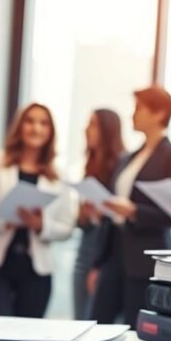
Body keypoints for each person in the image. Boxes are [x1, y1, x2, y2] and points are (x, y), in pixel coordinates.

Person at [87, 86, 171, 324]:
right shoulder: (128, 158)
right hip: (113, 253)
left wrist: (135, 211)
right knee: (97, 323)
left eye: (139, 109)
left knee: (138, 328)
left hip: (145, 259)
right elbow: (114, 203)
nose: (133, 114)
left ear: (159, 113)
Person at [0, 103, 76, 318]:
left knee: (27, 338)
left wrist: (41, 226)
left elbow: (67, 227)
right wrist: (5, 219)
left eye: (43, 123)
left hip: (37, 271)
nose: (36, 128)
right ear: (19, 126)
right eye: (29, 121)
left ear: (51, 131)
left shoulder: (58, 174)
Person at [73, 109, 125, 321]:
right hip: (85, 250)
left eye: (93, 124)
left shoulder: (121, 166)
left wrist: (103, 213)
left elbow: (116, 221)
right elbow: (82, 221)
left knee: (97, 320)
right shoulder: (90, 165)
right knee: (81, 317)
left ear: (107, 130)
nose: (87, 129)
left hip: (104, 255)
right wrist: (86, 216)